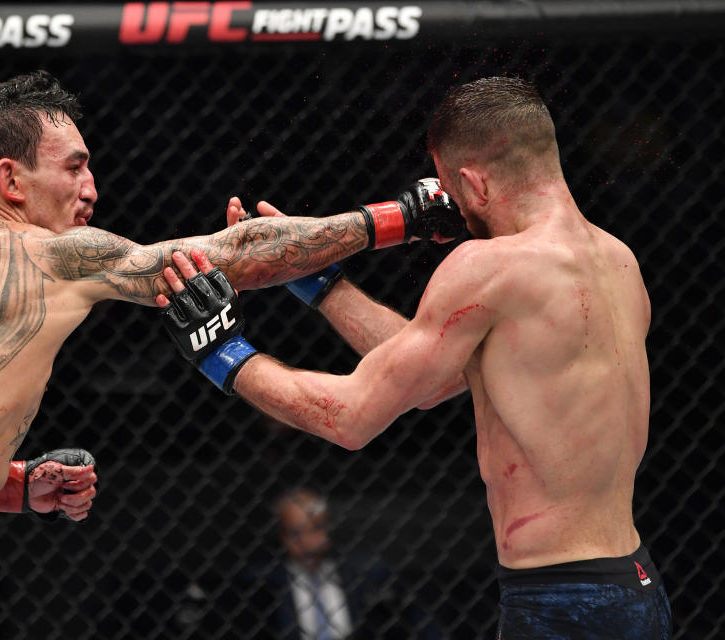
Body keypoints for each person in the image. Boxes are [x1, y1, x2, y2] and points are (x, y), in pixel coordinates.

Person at [0, 69, 457, 640]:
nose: (92, 188)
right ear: (11, 179)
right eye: (74, 167)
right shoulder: (49, 257)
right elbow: (226, 258)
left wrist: (16, 485)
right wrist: (406, 215)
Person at [158, 76, 672, 638]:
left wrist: (223, 351)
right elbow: (431, 382)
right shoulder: (618, 263)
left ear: (473, 182)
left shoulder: (491, 267)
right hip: (634, 581)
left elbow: (351, 417)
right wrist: (318, 279)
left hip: (560, 598)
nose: (449, 205)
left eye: (450, 187)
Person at [239, 487, 440, 640]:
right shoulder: (263, 584)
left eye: (315, 529)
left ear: (327, 528)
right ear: (282, 535)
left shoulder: (366, 573)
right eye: (296, 533)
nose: (307, 542)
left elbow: (419, 621)